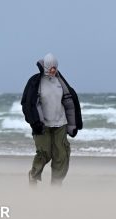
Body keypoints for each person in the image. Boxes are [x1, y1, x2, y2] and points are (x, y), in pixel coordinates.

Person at [21, 53, 82, 185]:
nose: (53, 70)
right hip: (42, 125)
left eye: (55, 67)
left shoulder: (60, 81)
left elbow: (70, 103)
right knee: (44, 153)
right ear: (45, 66)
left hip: (60, 123)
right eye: (50, 67)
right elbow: (27, 104)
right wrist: (34, 122)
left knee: (62, 154)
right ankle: (33, 175)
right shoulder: (35, 81)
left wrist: (73, 125)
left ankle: (56, 184)